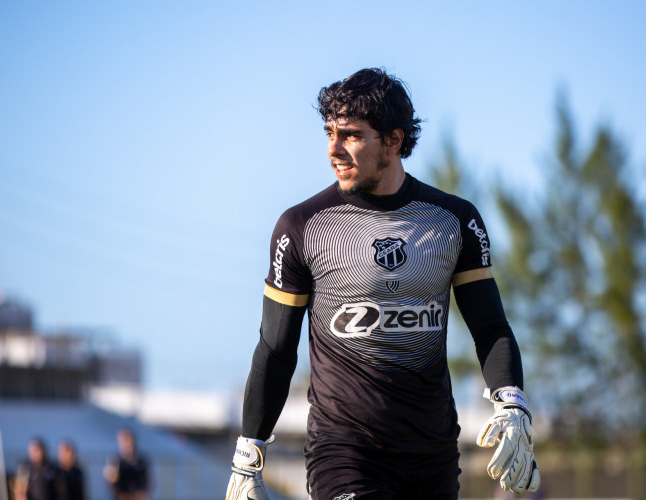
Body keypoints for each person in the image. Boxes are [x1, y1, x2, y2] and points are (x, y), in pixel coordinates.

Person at [224, 67, 541, 500]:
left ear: (393, 140)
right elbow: (276, 349)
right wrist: (249, 449)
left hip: (433, 453)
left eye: (351, 135)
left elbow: (490, 327)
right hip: (345, 452)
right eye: (329, 132)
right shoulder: (300, 225)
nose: (334, 149)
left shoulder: (455, 220)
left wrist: (511, 401)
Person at [103, 428, 149, 500]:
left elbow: (145, 482)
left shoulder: (140, 462)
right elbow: (113, 486)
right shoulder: (115, 462)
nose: (126, 444)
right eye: (123, 440)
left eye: (127, 440)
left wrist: (140, 494)